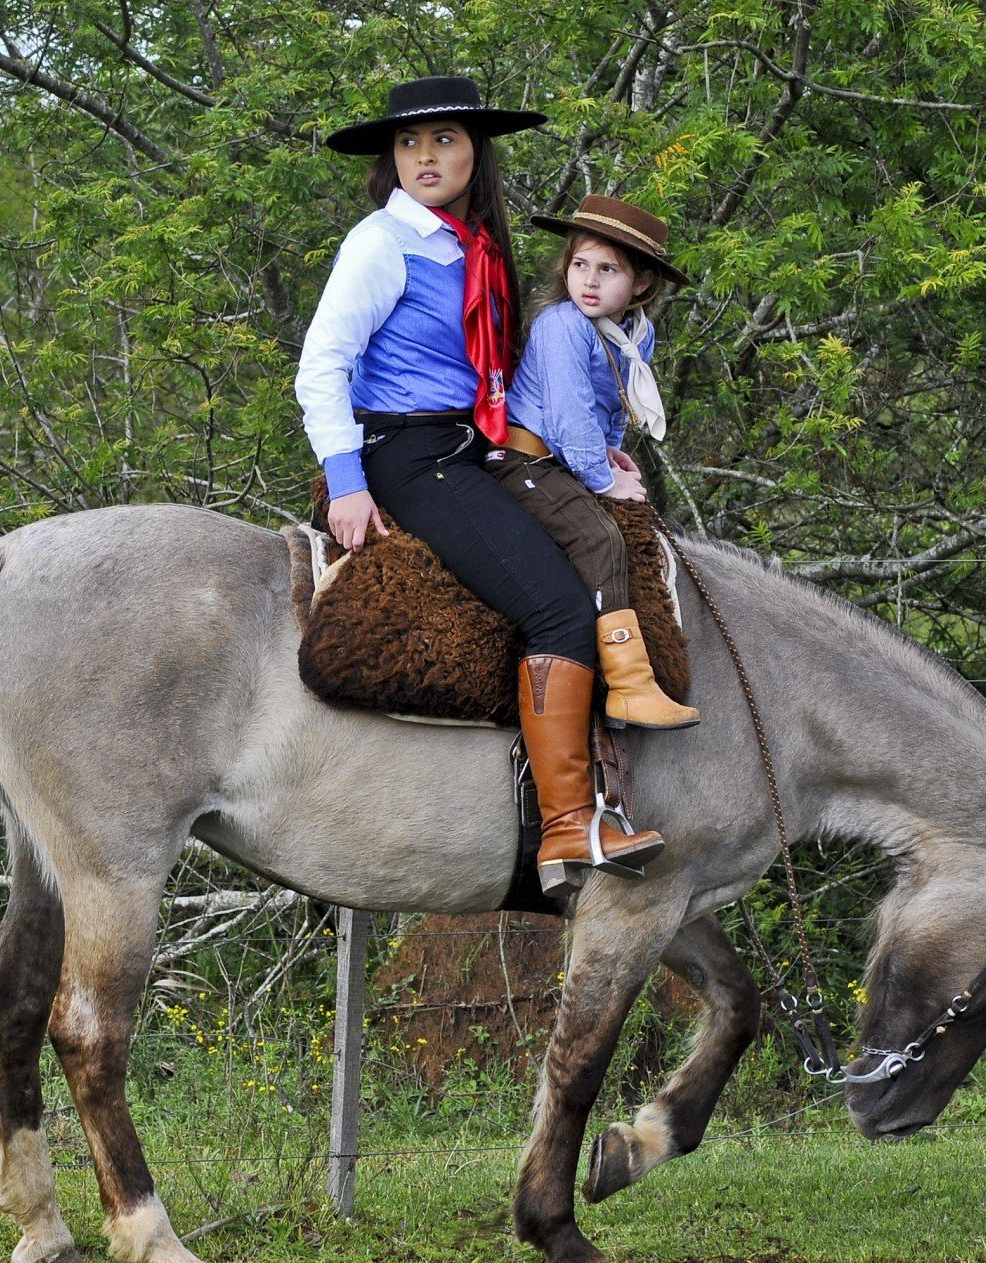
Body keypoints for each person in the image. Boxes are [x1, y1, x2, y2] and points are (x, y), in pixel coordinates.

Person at [295, 76, 663, 897]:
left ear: (475, 154)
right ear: (391, 159)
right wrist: (348, 482)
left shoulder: (470, 247)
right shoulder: (381, 244)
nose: (426, 157)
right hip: (407, 452)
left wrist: (601, 454)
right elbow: (321, 366)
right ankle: (570, 825)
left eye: (446, 140)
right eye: (410, 144)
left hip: (470, 448)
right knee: (559, 607)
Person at [488, 195, 700, 731]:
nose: (589, 280)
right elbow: (566, 413)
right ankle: (629, 685)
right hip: (521, 458)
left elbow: (608, 405)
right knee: (599, 537)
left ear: (642, 285)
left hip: (565, 453)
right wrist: (601, 479)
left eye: (608, 270)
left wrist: (609, 448)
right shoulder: (563, 325)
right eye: (580, 264)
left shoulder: (635, 334)